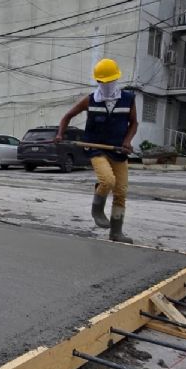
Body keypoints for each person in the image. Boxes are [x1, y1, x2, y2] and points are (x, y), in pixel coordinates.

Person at [55, 58, 138, 243]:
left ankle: (116, 232)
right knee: (108, 180)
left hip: (118, 150)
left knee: (121, 191)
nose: (106, 84)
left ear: (116, 79)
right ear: (98, 81)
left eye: (110, 81)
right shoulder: (90, 100)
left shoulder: (128, 99)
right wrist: (60, 133)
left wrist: (127, 140)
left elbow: (134, 123)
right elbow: (67, 116)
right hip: (95, 148)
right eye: (102, 81)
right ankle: (97, 209)